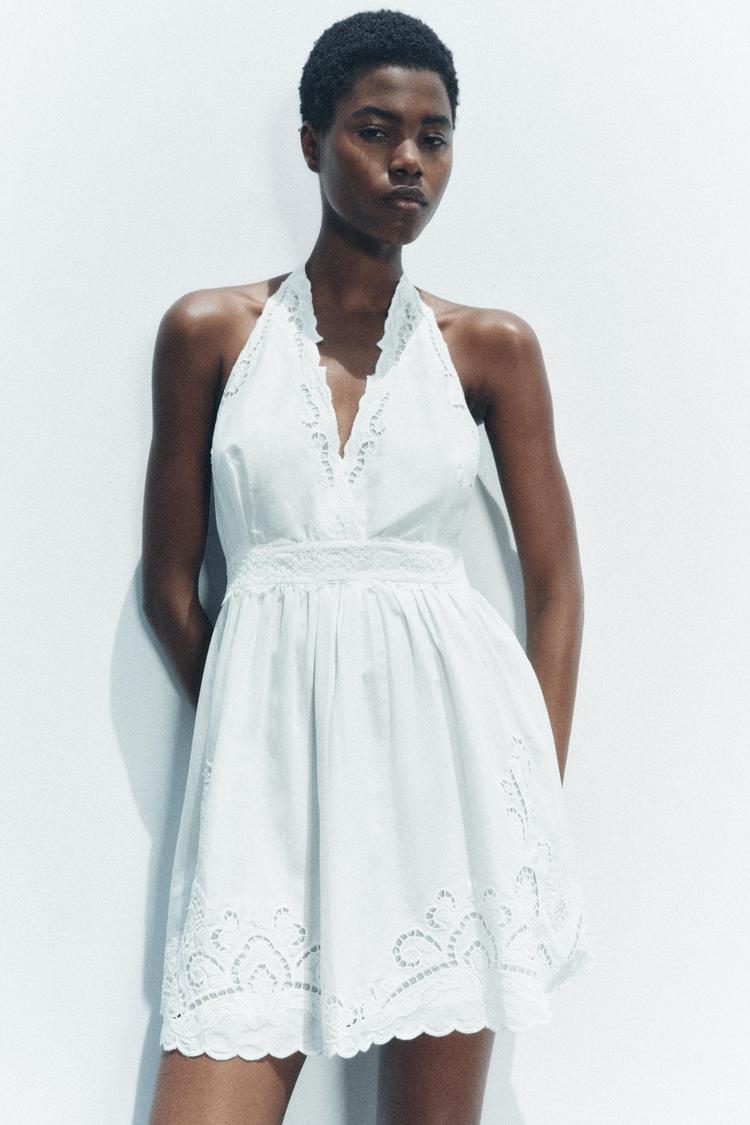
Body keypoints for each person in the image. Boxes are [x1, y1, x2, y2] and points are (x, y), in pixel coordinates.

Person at [143, 9, 595, 1124]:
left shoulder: (491, 348)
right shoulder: (210, 333)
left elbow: (556, 588)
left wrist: (528, 790)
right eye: (376, 130)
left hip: (451, 798)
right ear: (312, 142)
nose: (409, 161)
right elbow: (168, 588)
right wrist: (262, 729)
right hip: (266, 811)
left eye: (434, 138)